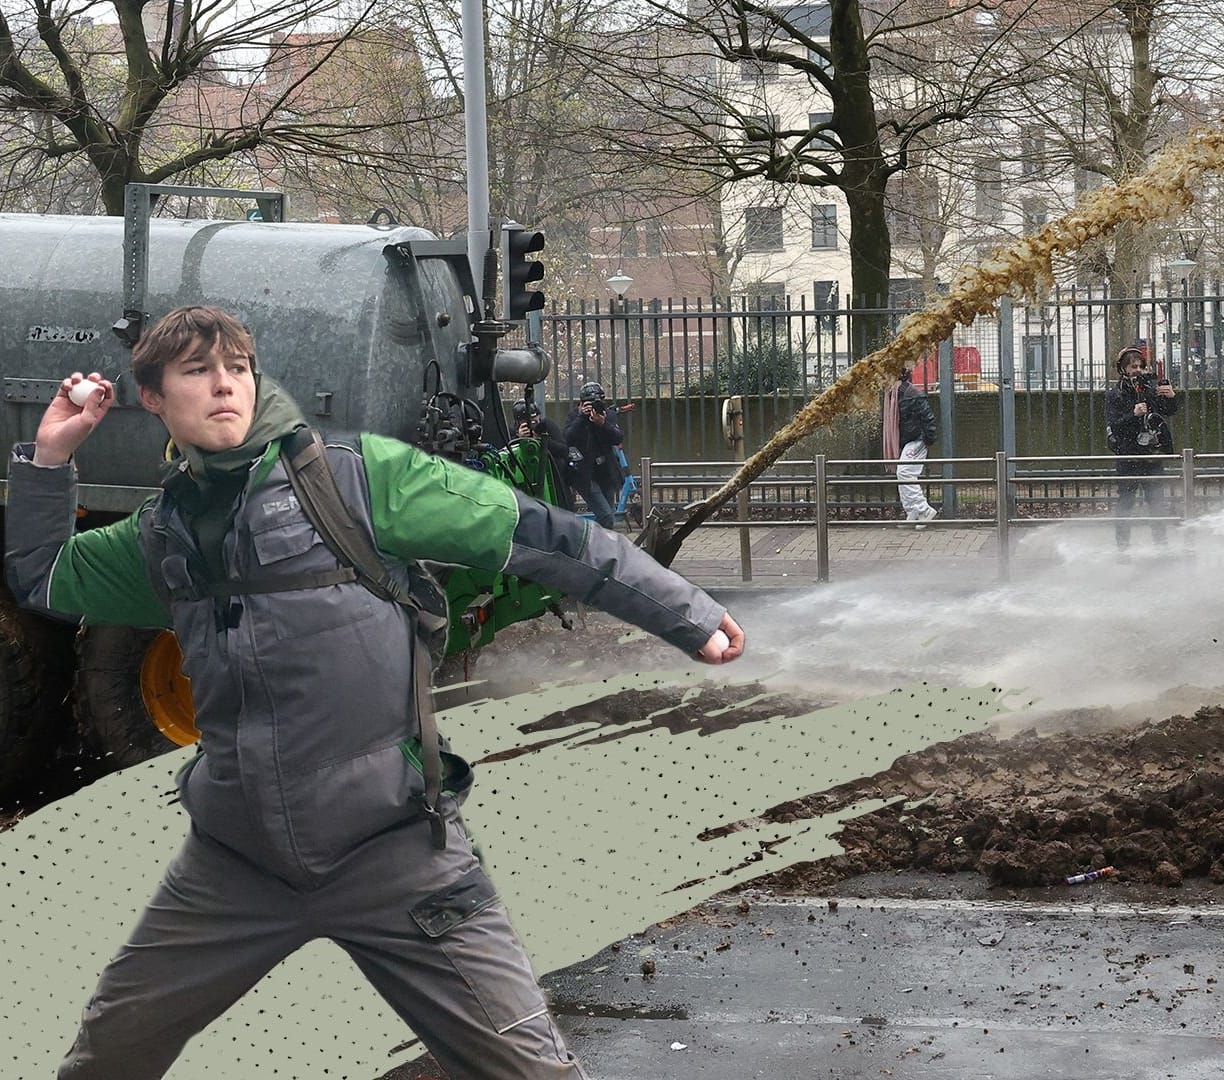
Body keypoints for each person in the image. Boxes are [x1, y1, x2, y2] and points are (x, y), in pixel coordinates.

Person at [4, 306, 745, 1080]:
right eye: (197, 372)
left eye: (238, 368)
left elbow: (535, 533)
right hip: (232, 865)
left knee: (531, 1073)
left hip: (397, 856)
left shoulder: (353, 479)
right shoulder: (163, 535)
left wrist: (681, 611)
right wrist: (50, 457)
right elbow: (43, 576)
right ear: (152, 398)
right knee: (106, 1059)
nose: (224, 385)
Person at [1103, 345, 1179, 550]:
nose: (1137, 370)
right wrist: (1132, 414)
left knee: (1156, 502)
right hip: (1128, 457)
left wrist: (1171, 397)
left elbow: (1167, 412)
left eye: (1140, 366)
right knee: (1125, 502)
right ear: (1123, 369)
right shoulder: (1116, 394)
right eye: (1132, 366)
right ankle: (1122, 546)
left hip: (1152, 457)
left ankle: (1161, 544)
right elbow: (1114, 426)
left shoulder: (1149, 390)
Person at [882, 367, 938, 529]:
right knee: (904, 474)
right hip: (911, 439)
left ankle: (923, 509)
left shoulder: (909, 394)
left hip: (917, 439)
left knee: (905, 472)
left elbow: (928, 418)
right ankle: (913, 511)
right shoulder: (895, 394)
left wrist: (927, 439)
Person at [564, 381, 625, 528]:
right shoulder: (574, 416)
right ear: (581, 403)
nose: (593, 406)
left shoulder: (607, 415)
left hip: (606, 472)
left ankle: (600, 548)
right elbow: (566, 438)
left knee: (608, 515)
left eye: (597, 402)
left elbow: (618, 437)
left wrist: (602, 424)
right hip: (585, 474)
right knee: (606, 516)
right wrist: (580, 418)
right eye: (588, 403)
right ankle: (593, 544)